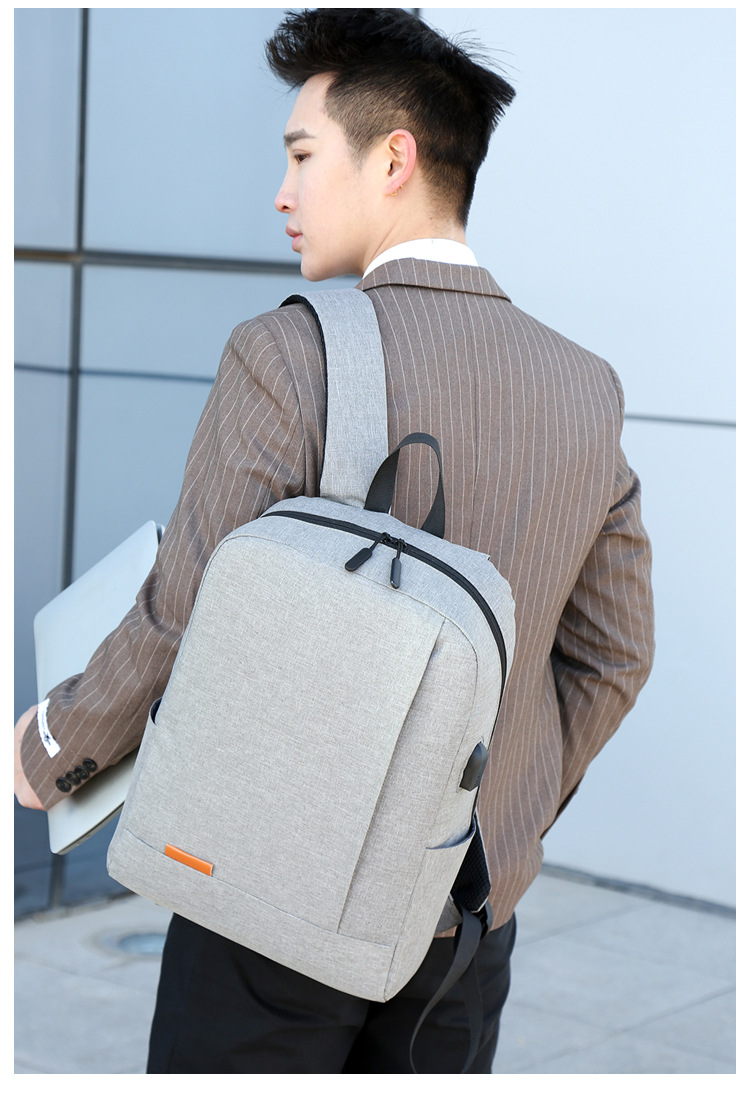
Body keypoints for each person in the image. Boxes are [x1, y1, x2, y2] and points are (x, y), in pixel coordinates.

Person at [14, 8, 654, 1073]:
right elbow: (616, 653)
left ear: (393, 158)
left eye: (302, 156)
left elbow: (182, 612)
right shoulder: (585, 388)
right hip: (463, 919)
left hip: (270, 904)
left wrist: (51, 745)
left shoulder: (285, 353)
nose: (283, 192)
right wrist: (497, 811)